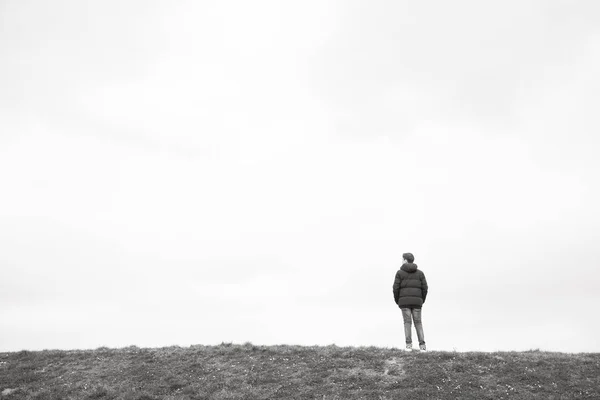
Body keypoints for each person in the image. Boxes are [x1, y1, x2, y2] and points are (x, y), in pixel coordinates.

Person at [393, 252, 428, 351]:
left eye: (402, 259)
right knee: (418, 323)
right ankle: (422, 347)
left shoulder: (399, 273)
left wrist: (398, 300)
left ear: (405, 260)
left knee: (407, 323)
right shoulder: (420, 273)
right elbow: (425, 288)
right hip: (417, 302)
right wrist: (421, 300)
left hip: (404, 302)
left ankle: (408, 346)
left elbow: (395, 288)